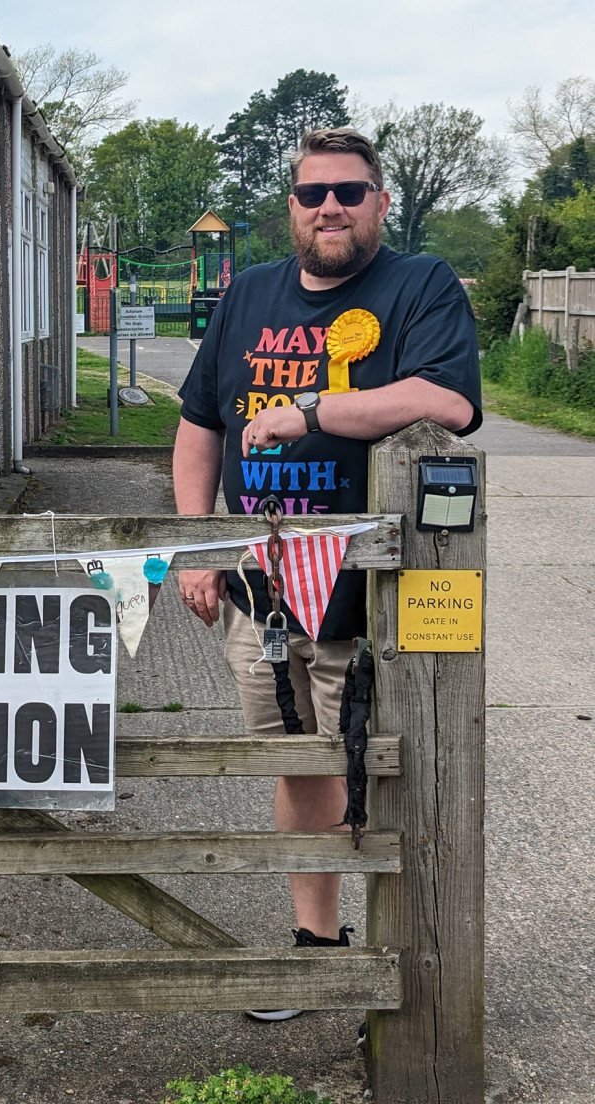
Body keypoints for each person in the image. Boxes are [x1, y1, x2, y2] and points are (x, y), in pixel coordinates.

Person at [173, 127, 481, 1020]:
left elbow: (444, 401)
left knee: (393, 764)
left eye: (350, 191)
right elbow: (200, 424)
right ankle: (317, 946)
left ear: (380, 201)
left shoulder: (416, 284)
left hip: (373, 584)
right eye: (313, 195)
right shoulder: (248, 294)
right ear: (293, 209)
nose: (331, 207)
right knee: (298, 764)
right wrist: (197, 546)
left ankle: (417, 964)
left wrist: (307, 409)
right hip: (261, 583)